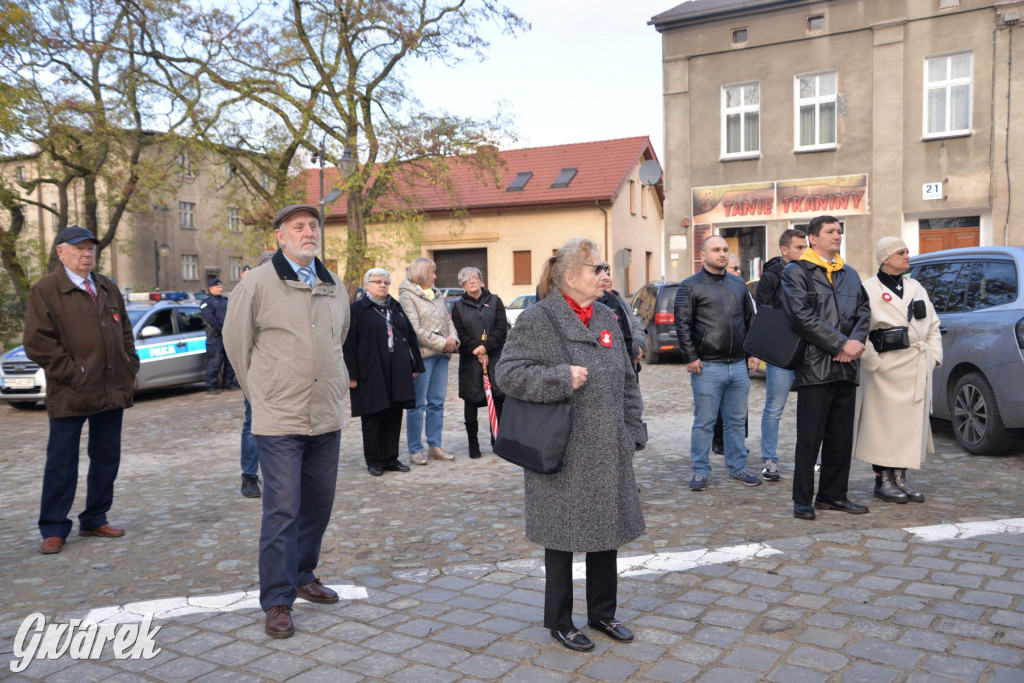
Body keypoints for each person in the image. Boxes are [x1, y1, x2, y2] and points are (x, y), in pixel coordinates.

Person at [495, 238, 647, 653]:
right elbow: (507, 373)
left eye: (603, 268)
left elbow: (627, 378)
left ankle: (602, 613)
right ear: (568, 277)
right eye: (595, 268)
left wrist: (634, 428)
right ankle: (560, 621)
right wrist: (560, 377)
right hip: (562, 448)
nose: (604, 274)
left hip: (609, 444)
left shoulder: (606, 314)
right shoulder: (538, 319)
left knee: (607, 532)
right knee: (560, 537)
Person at [223, 204, 350, 638]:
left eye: (314, 226)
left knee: (318, 503)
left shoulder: (335, 284)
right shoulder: (258, 283)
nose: (309, 232)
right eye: (298, 226)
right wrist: (262, 393)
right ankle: (277, 599)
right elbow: (236, 343)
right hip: (279, 418)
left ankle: (303, 573)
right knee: (282, 508)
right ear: (280, 236)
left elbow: (339, 339)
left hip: (326, 414)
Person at [23, 226, 140, 555]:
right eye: (79, 248)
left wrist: (129, 362)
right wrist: (74, 373)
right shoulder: (46, 290)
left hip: (110, 389)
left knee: (106, 458)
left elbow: (125, 329)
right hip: (71, 391)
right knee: (61, 462)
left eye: (91, 247)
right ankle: (54, 527)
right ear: (61, 252)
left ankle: (95, 517)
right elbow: (38, 342)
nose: (87, 253)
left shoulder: (106, 286)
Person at [781, 215, 871, 520]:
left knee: (840, 437)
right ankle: (803, 499)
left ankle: (833, 495)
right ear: (813, 238)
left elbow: (864, 312)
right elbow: (800, 316)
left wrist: (854, 343)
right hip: (815, 367)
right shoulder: (796, 272)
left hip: (847, 368)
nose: (838, 235)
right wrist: (840, 344)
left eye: (840, 231)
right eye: (831, 231)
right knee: (810, 437)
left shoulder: (850, 273)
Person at [853, 237, 942, 503]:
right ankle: (883, 480)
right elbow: (858, 330)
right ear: (885, 258)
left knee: (908, 427)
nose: (907, 256)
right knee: (883, 428)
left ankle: (901, 477)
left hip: (914, 367)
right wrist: (873, 363)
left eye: (906, 251)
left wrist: (933, 357)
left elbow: (933, 324)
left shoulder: (916, 287)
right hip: (883, 370)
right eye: (900, 252)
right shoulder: (867, 288)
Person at [674, 235, 761, 491]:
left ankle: (739, 468)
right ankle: (700, 471)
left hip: (738, 365)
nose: (722, 254)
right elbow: (682, 324)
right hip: (707, 367)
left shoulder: (738, 285)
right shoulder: (690, 286)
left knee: (736, 421)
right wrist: (690, 357)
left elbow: (750, 320)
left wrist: (753, 353)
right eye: (716, 250)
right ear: (703, 255)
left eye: (725, 249)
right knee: (705, 422)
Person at [344, 268, 424, 475]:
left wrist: (416, 365)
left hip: (396, 369)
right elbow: (347, 344)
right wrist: (351, 375)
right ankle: (374, 460)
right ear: (367, 284)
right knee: (373, 416)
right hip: (370, 371)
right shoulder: (357, 309)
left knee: (393, 414)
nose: (382, 285)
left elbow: (410, 335)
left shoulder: (395, 307)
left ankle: (391, 458)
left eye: (386, 282)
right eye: (377, 281)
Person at [754, 229, 808, 481]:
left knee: (813, 408)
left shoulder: (811, 272)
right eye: (799, 247)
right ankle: (770, 460)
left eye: (805, 246)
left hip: (811, 349)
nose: (804, 251)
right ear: (784, 250)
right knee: (774, 408)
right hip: (783, 351)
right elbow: (766, 314)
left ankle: (812, 459)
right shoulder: (771, 276)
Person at [399, 257, 458, 464]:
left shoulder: (437, 294)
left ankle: (435, 445)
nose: (435, 276)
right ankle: (415, 448)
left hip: (442, 356)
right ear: (422, 273)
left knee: (437, 403)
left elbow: (448, 321)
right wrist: (443, 343)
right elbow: (415, 330)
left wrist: (453, 340)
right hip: (423, 357)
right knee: (418, 405)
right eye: (432, 272)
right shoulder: (407, 297)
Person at [450, 267, 508, 458]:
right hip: (470, 360)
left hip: (494, 358)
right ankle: (473, 445)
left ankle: (497, 441)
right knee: (471, 402)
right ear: (463, 285)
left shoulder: (495, 301)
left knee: (498, 400)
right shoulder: (458, 307)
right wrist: (477, 349)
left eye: (475, 278)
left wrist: (486, 348)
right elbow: (460, 332)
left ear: (482, 281)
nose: (472, 282)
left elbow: (501, 329)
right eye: (467, 280)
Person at [237, 250, 276, 499]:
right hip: (257, 373)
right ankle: (250, 475)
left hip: (288, 374)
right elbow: (238, 341)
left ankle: (281, 475)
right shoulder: (247, 295)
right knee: (253, 425)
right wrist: (247, 375)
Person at [595, 275, 645, 373]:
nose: (606, 278)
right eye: (600, 275)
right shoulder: (597, 304)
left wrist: (638, 345)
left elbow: (636, 326)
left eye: (608, 274)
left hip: (630, 365)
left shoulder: (620, 301)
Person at [200, 276, 236, 394]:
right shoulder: (206, 302)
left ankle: (228, 384)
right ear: (211, 288)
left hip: (228, 336)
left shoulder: (225, 300)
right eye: (218, 287)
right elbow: (210, 318)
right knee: (214, 362)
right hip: (215, 336)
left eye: (221, 287)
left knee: (230, 362)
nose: (220, 289)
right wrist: (223, 329)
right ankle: (211, 386)